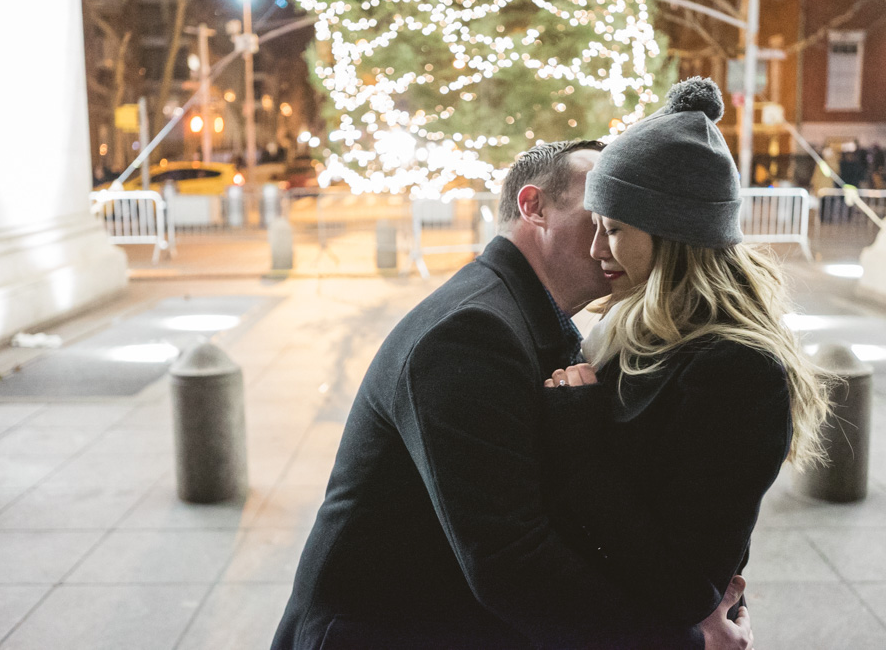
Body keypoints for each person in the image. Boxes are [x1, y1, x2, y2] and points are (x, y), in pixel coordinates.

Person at [272, 139, 754, 649]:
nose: (614, 236)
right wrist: (683, 642)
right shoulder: (470, 332)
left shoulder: (530, 321)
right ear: (533, 207)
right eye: (601, 212)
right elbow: (513, 562)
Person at [541, 77, 829, 627]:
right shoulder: (634, 331)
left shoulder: (737, 371)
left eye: (616, 229)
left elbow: (682, 580)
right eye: (597, 227)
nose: (598, 250)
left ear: (674, 234)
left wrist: (577, 438)